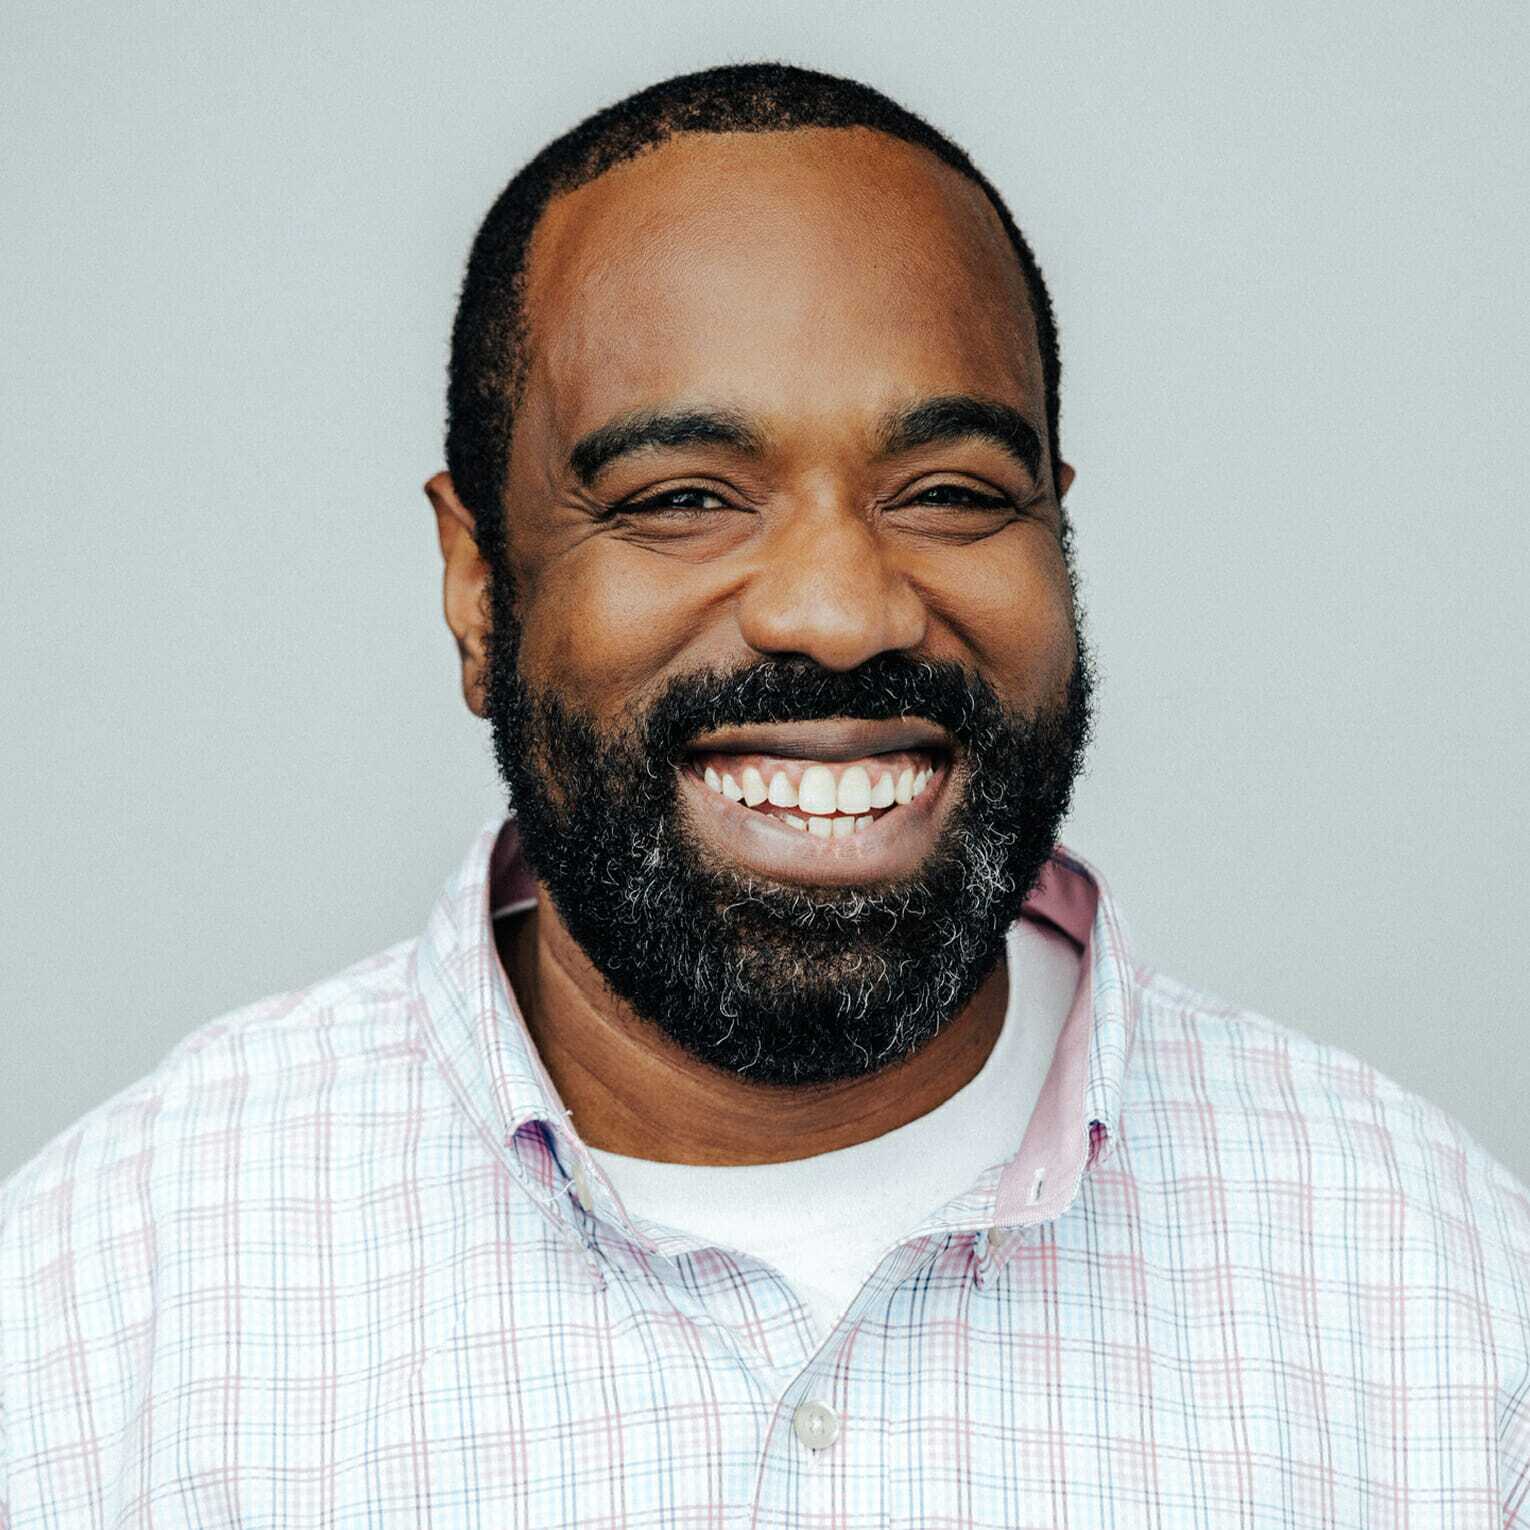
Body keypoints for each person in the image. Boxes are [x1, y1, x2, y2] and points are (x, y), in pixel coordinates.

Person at [2, 61, 1525, 1527]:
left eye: (949, 493)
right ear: (477, 584)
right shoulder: (98, 1318)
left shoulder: (1439, 1300)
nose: (838, 608)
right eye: (680, 499)